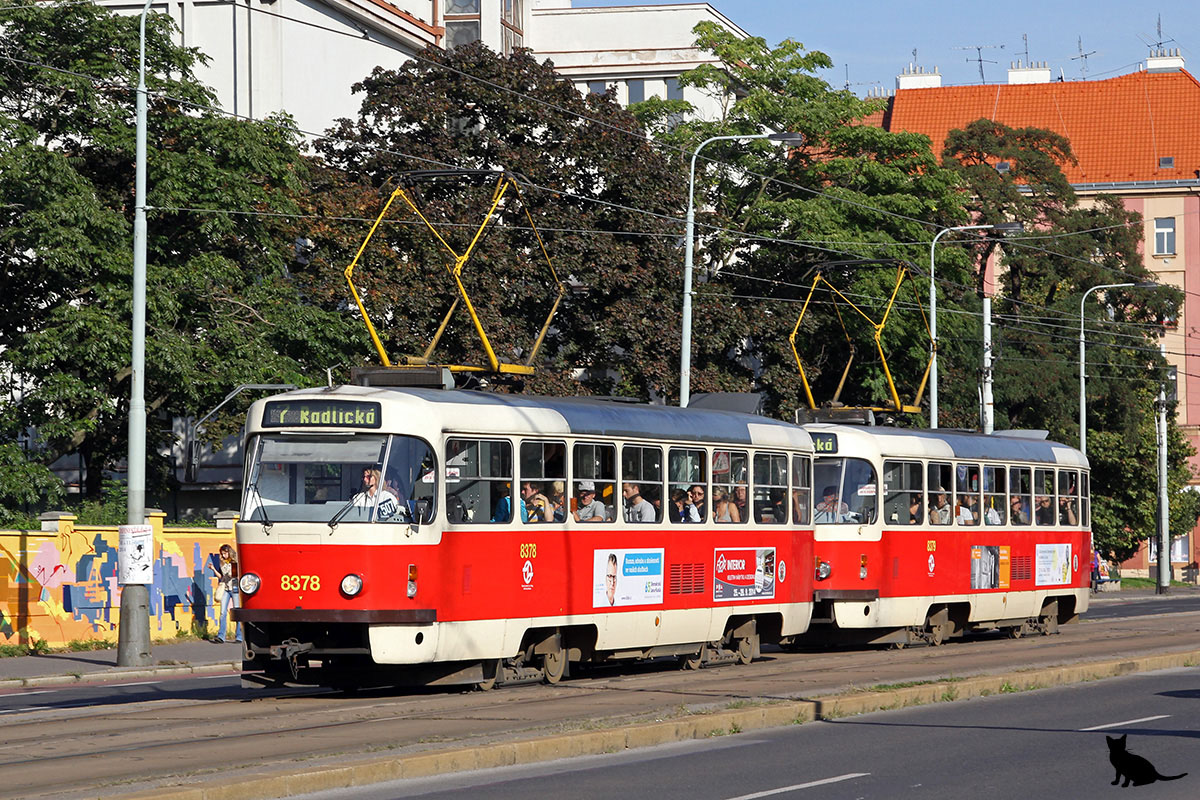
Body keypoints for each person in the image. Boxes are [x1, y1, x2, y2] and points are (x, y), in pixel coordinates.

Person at [209, 544, 241, 643]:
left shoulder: (235, 561)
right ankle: (221, 636)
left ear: (229, 552)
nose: (223, 556)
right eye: (222, 554)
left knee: (237, 612)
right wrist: (213, 568)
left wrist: (227, 568)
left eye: (225, 553)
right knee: (223, 612)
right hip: (226, 589)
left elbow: (233, 574)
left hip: (235, 587)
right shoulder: (222, 563)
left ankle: (239, 636)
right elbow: (221, 576)